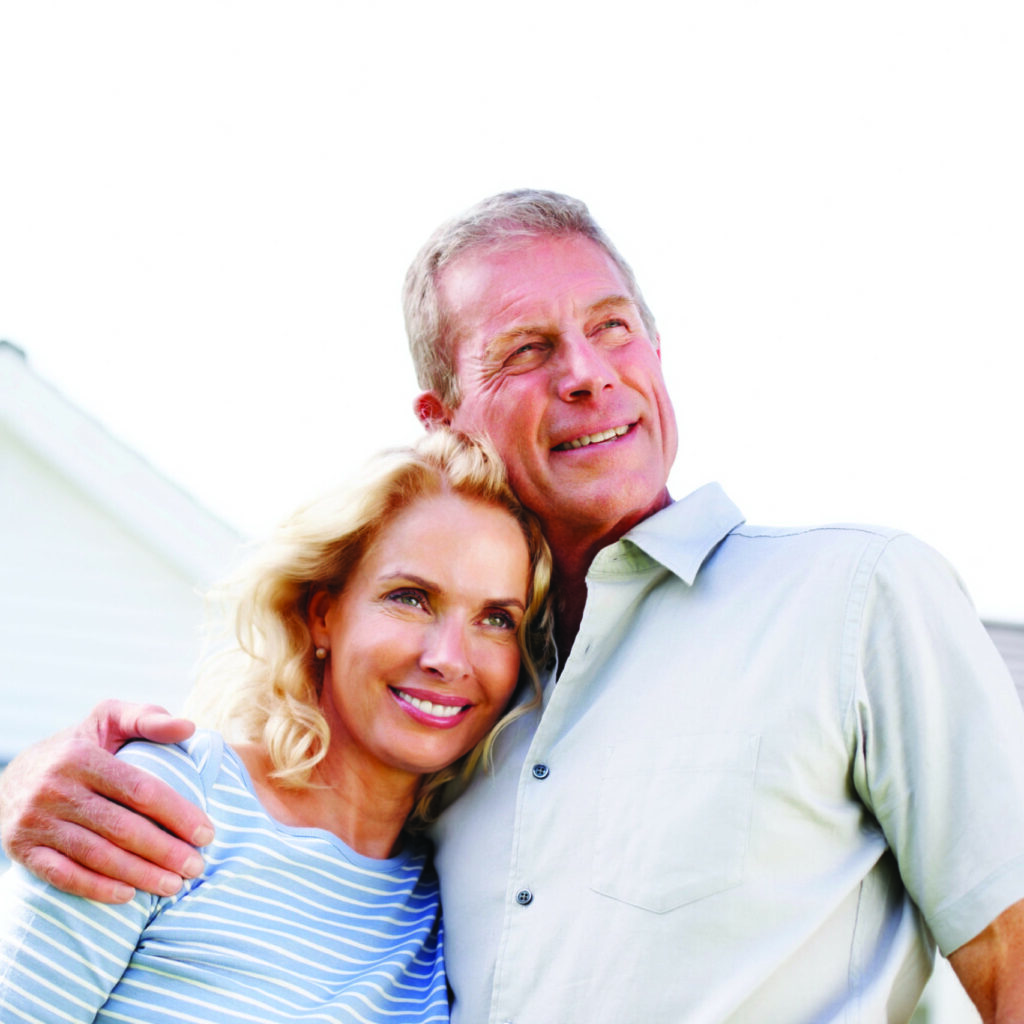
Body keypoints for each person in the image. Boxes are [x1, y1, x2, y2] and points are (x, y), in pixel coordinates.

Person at [2, 190, 1024, 1022]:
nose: (585, 374)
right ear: (443, 415)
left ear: (657, 355)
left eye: (612, 328)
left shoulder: (854, 596)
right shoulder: (472, 716)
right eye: (526, 349)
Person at [0, 429, 553, 1022]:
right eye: (411, 597)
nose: (448, 657)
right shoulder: (171, 797)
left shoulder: (456, 901)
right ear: (323, 615)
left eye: (496, 619)